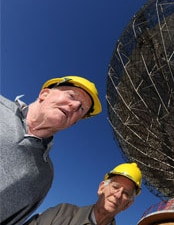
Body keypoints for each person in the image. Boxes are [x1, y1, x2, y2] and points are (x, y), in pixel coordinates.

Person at [0, 76, 102, 225]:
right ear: (44, 94)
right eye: (71, 95)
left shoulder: (44, 176)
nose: (74, 106)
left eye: (82, 109)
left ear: (74, 122)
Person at [24, 162, 142, 225]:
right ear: (101, 188)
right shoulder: (61, 213)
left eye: (125, 193)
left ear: (127, 205)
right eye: (115, 187)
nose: (118, 195)